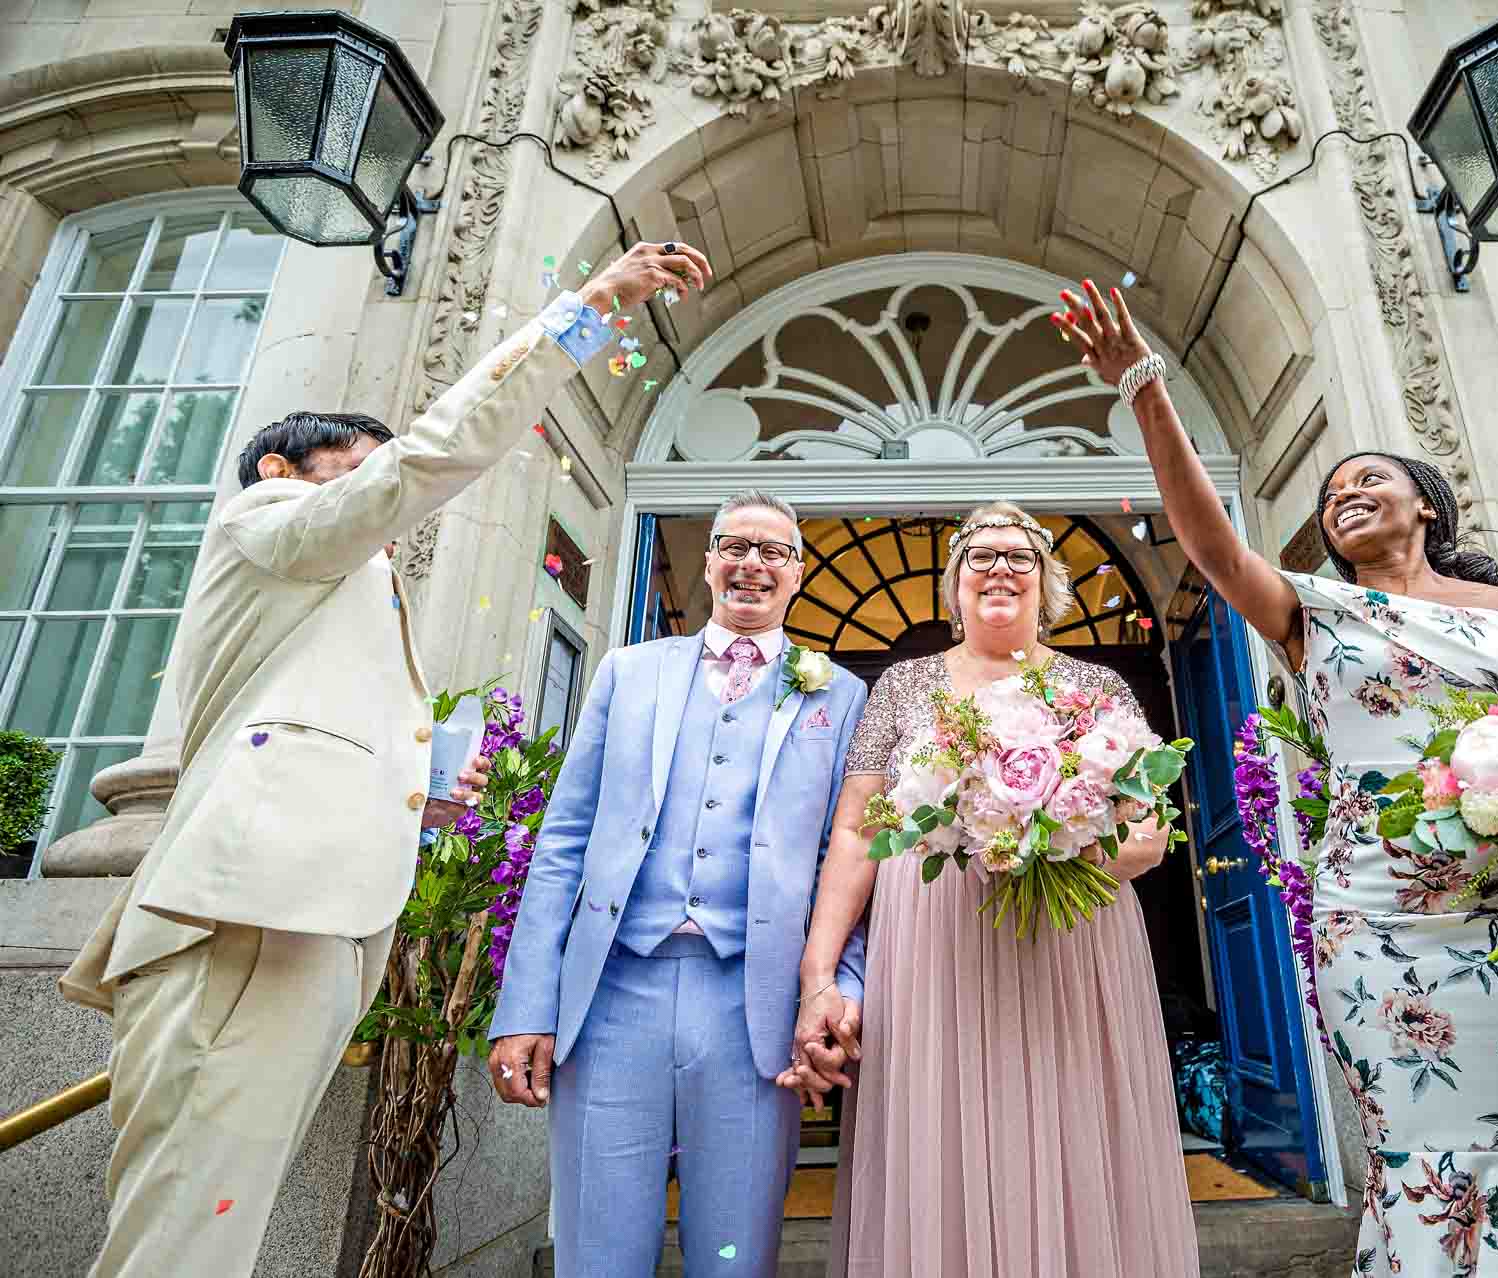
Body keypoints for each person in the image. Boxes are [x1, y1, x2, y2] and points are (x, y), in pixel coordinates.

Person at [53, 236, 710, 1277]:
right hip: (249, 922)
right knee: (184, 1238)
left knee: (217, 1223)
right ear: (282, 470)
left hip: (310, 924)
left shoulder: (322, 586)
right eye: (359, 471)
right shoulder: (265, 521)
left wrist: (440, 803)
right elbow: (430, 457)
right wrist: (585, 311)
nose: (385, 496)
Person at [1054, 280, 1498, 1276]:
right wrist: (1145, 387)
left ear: (1428, 500)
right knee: (1418, 1141)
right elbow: (1209, 545)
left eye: (1370, 479)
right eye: (1332, 496)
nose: (1346, 495)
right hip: (1378, 912)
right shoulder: (1313, 612)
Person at [783, 499, 1201, 1278]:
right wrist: (819, 975)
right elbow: (857, 832)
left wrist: (1055, 851)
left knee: (1072, 1124)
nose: (1000, 569)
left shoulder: (1099, 686)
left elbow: (1150, 833)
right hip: (933, 945)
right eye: (981, 556)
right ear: (954, 585)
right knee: (936, 1129)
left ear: (1048, 583)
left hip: (1070, 940)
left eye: (1020, 557)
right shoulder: (904, 686)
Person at [487, 489, 869, 1278]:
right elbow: (562, 842)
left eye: (773, 552)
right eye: (735, 545)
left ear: (797, 573)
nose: (751, 564)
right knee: (598, 1249)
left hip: (753, 1008)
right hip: (613, 995)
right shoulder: (629, 672)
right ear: (709, 560)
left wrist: (838, 989)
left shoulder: (841, 694)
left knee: (735, 1253)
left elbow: (855, 860)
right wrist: (526, 1005)